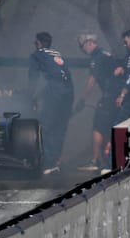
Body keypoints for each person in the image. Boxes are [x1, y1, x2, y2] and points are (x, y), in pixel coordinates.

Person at [28, 31, 74, 174]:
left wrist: (32, 97)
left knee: (46, 126)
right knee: (60, 127)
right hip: (68, 92)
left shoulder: (37, 55)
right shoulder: (57, 54)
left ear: (38, 43)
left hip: (55, 92)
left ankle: (48, 163)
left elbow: (34, 79)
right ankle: (56, 160)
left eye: (35, 42)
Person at [77, 33, 121, 170]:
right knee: (109, 126)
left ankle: (95, 161)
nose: (82, 50)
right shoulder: (106, 54)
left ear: (89, 43)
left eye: (82, 46)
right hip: (117, 96)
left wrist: (82, 99)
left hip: (109, 97)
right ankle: (108, 159)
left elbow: (92, 80)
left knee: (98, 127)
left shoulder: (97, 57)